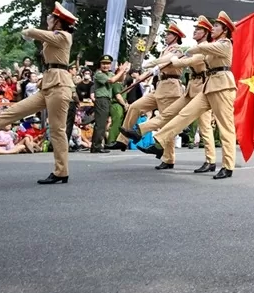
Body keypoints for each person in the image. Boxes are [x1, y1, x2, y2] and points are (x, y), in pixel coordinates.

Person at [0, 2, 77, 185]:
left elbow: (35, 33)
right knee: (13, 112)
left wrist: (28, 31)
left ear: (58, 22)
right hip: (49, 85)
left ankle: (61, 171)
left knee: (57, 130)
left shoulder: (63, 36)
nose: (48, 20)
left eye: (51, 18)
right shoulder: (55, 37)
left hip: (59, 86)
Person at [148, 12, 237, 179]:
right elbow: (194, 55)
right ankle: (160, 140)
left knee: (226, 128)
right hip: (209, 86)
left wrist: (187, 51)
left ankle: (228, 165)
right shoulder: (215, 44)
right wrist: (178, 58)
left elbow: (199, 48)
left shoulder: (225, 44)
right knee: (185, 114)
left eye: (216, 26)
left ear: (225, 30)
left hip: (222, 86)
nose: (213, 29)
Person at [90, 55, 130, 153]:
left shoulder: (110, 73)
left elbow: (119, 80)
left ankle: (97, 145)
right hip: (101, 99)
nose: (105, 66)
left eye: (108, 64)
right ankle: (96, 146)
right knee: (100, 124)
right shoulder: (99, 74)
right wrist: (121, 71)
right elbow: (112, 80)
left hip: (107, 100)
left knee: (104, 124)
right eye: (103, 63)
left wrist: (123, 71)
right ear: (100, 64)